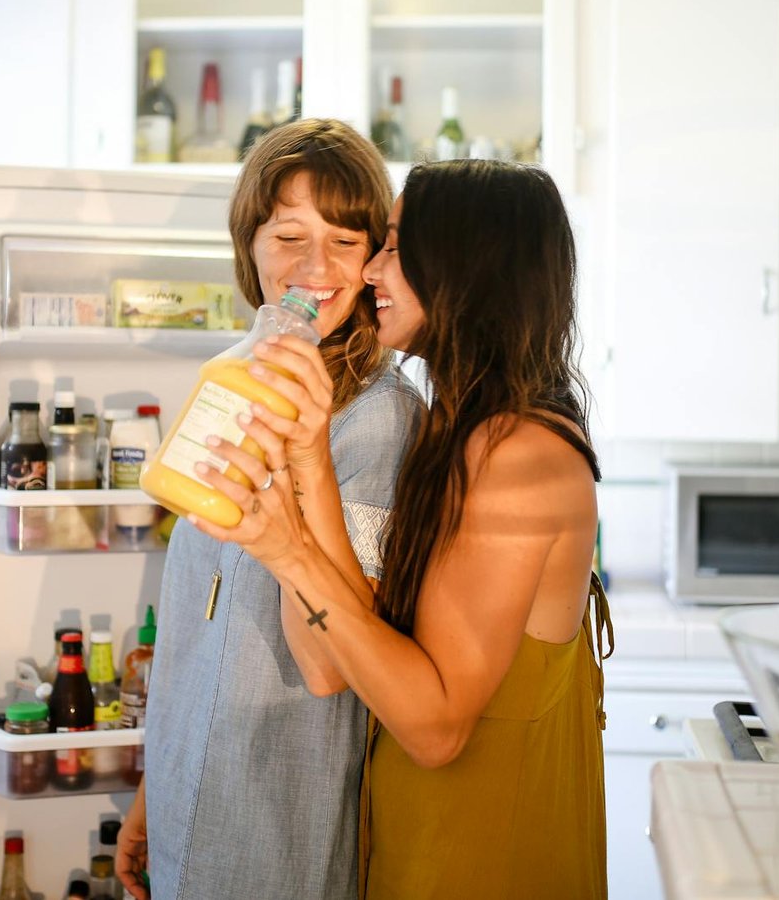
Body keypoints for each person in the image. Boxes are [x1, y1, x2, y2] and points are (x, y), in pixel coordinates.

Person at [185, 159, 611, 899]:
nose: (371, 270)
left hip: (483, 860)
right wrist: (310, 453)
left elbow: (435, 728)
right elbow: (365, 637)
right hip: (421, 842)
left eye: (392, 245)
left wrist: (284, 547)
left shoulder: (520, 457)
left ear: (464, 266)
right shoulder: (463, 430)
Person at [116, 119, 423, 900]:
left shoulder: (377, 419)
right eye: (289, 234)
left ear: (372, 264)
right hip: (191, 784)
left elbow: (329, 667)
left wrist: (297, 460)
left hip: (279, 814)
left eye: (346, 241)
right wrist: (156, 788)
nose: (314, 267)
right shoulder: (227, 376)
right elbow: (195, 621)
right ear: (248, 247)